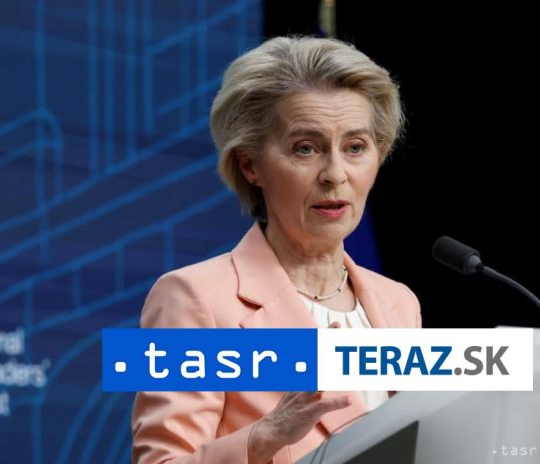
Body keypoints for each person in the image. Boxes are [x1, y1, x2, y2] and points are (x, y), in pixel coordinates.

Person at [131, 36, 422, 464]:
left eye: (355, 148)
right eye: (306, 148)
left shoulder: (398, 302)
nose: (335, 174)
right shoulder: (193, 298)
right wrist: (263, 438)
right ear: (250, 164)